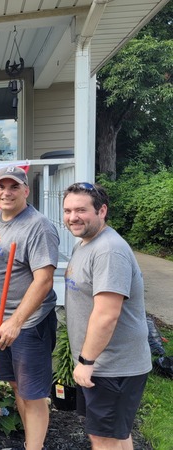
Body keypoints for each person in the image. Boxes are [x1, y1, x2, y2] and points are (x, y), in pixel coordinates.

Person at [63, 182, 151, 450]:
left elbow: (107, 314)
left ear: (102, 211)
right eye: (67, 210)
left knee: (104, 439)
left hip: (113, 366)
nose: (72, 217)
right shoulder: (85, 244)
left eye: (81, 210)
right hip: (102, 364)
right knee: (115, 435)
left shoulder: (109, 250)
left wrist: (87, 361)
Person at [0, 165, 59, 450]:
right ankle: (31, 442)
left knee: (33, 394)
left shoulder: (37, 225)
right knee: (16, 386)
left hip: (27, 324)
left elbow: (44, 280)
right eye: (2, 186)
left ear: (26, 190)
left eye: (14, 186)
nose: (7, 192)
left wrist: (15, 322)